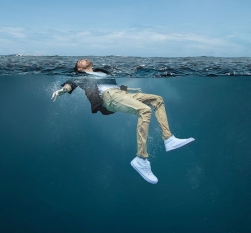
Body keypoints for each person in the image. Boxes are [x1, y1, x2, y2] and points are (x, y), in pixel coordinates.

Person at [51, 58, 194, 184]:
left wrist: (129, 89)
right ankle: (141, 159)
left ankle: (169, 139)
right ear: (79, 68)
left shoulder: (103, 72)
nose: (84, 58)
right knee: (145, 110)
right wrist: (61, 91)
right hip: (109, 98)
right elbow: (70, 84)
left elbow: (114, 86)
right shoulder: (80, 76)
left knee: (157, 99)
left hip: (120, 93)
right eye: (80, 61)